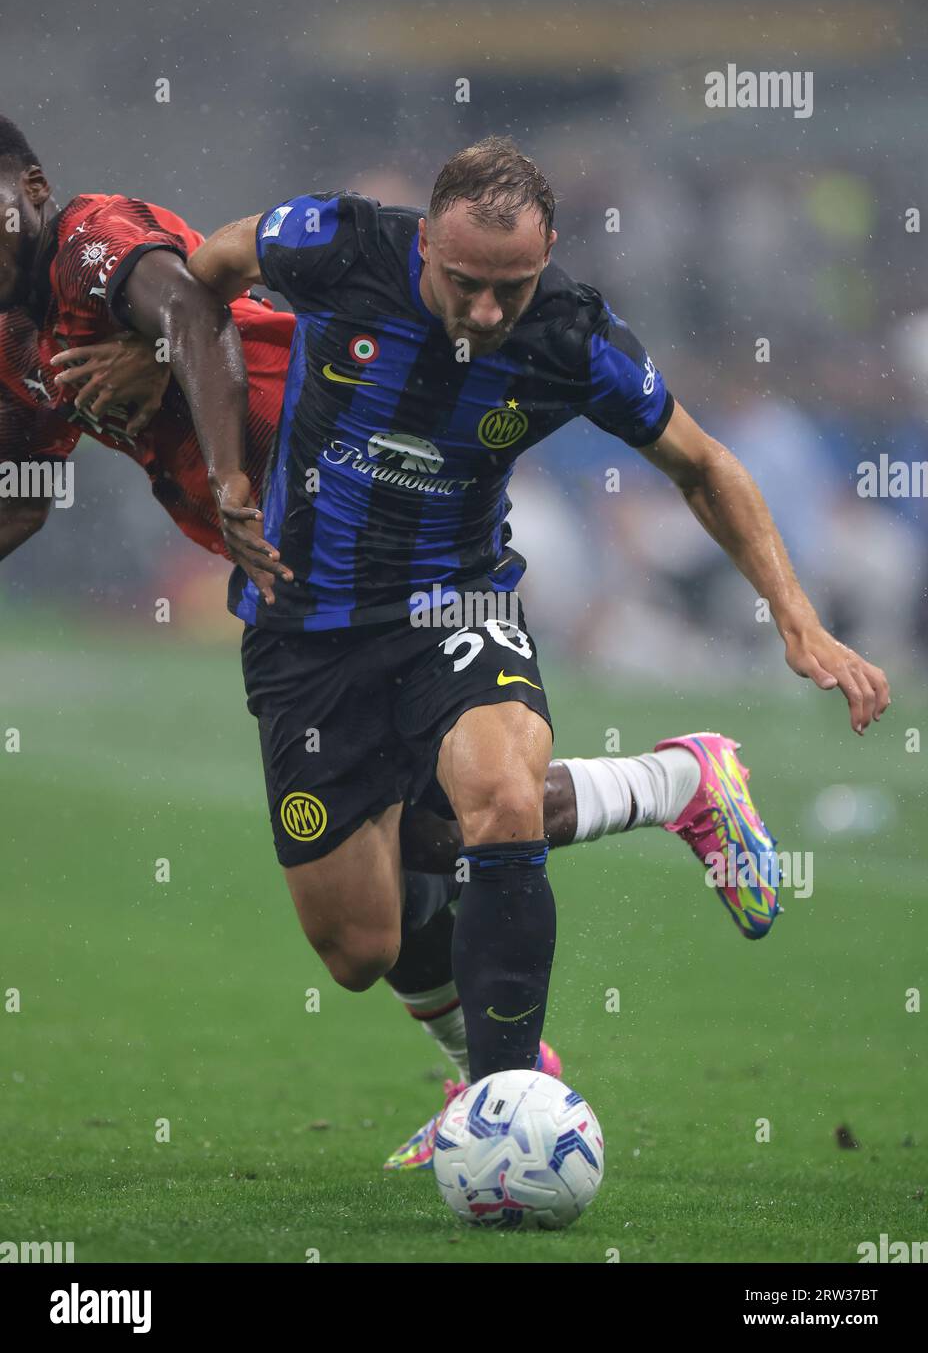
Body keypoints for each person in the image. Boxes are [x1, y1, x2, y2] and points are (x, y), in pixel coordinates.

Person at [175, 134, 888, 1147]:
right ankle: (678, 784)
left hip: (456, 605)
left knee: (498, 795)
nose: (483, 312)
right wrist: (187, 418)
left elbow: (702, 463)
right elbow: (202, 274)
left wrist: (795, 616)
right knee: (359, 942)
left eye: (510, 288)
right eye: (464, 283)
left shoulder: (571, 336)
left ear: (546, 258)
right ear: (423, 241)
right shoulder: (334, 242)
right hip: (307, 627)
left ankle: (504, 1108)